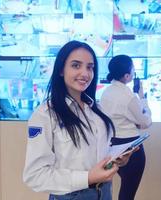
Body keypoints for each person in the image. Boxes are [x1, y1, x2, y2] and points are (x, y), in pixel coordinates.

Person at [23, 40, 134, 200]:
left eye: (89, 67)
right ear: (61, 70)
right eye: (76, 65)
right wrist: (88, 178)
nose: (85, 73)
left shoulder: (96, 110)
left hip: (105, 192)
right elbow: (35, 175)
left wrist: (116, 159)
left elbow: (94, 155)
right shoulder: (46, 115)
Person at [100, 55, 152, 200]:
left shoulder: (106, 92)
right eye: (133, 69)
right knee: (128, 193)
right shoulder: (129, 96)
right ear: (127, 75)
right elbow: (146, 122)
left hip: (111, 147)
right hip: (132, 149)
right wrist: (143, 99)